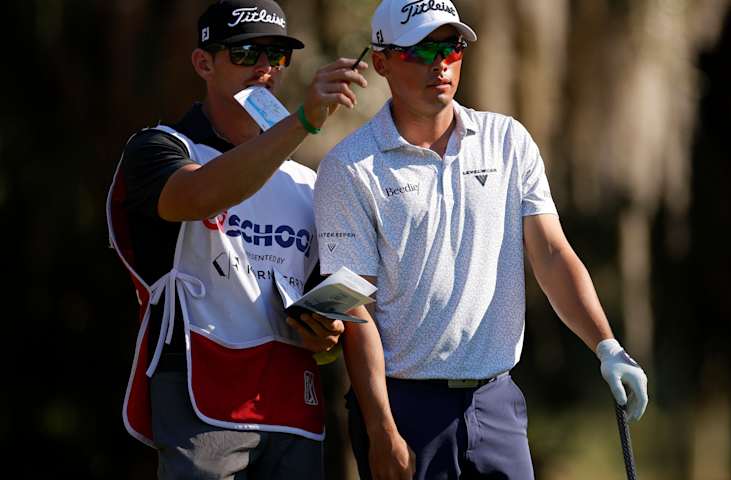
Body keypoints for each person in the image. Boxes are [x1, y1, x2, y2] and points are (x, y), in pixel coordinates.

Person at [312, 0, 649, 478]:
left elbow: (552, 255)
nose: (440, 64)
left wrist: (607, 346)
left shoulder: (508, 141)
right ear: (382, 62)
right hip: (405, 407)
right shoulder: (349, 167)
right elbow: (353, 305)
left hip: (497, 404)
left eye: (451, 48)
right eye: (420, 52)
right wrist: (382, 429)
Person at [105, 0, 369, 477]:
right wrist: (302, 122)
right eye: (246, 53)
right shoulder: (160, 147)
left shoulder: (306, 181)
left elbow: (325, 319)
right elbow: (199, 195)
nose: (265, 69)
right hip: (202, 403)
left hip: (292, 407)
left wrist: (326, 336)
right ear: (204, 63)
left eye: (277, 56)